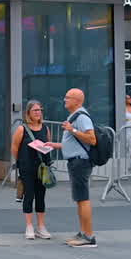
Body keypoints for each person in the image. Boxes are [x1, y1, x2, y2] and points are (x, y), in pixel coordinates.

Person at [46, 88, 97, 248]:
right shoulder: (74, 116)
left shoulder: (81, 117)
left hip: (80, 163)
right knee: (79, 199)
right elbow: (73, 144)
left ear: (77, 100)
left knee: (83, 198)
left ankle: (89, 237)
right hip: (75, 161)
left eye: (68, 97)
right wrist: (55, 145)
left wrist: (72, 130)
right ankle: (83, 233)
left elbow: (92, 139)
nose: (64, 100)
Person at [10, 100, 53, 240]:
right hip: (27, 167)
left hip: (42, 168)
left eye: (40, 109)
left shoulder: (45, 128)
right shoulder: (22, 129)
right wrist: (21, 162)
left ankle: (41, 227)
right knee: (29, 195)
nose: (38, 112)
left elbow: (49, 144)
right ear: (28, 113)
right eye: (35, 110)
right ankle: (29, 226)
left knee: (41, 196)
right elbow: (15, 148)